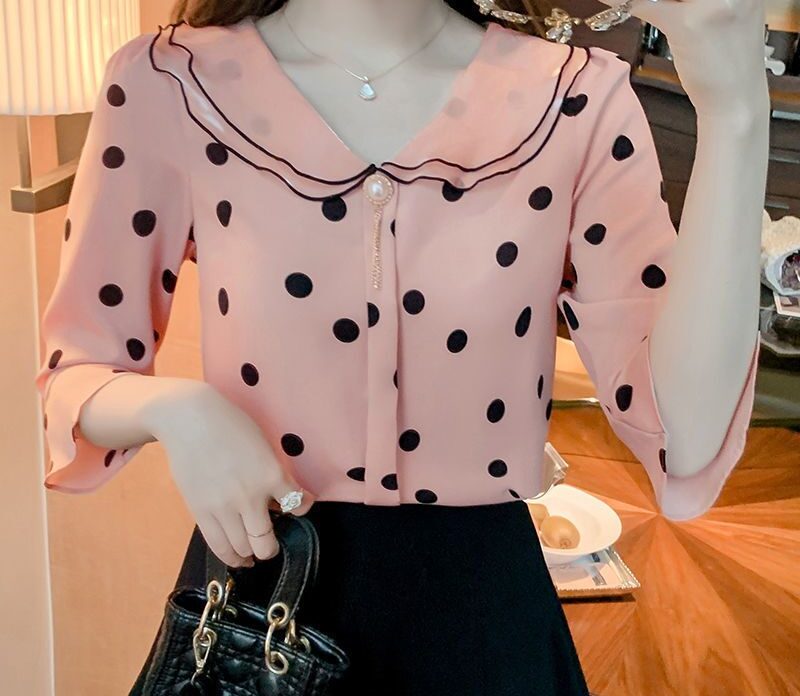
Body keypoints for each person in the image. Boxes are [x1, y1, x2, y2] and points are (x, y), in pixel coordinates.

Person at [34, 0, 768, 693]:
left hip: (483, 628)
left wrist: (735, 112)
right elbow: (75, 374)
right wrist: (178, 411)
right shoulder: (167, 84)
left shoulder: (576, 99)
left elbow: (686, 440)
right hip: (256, 619)